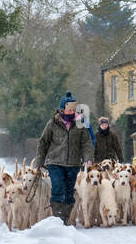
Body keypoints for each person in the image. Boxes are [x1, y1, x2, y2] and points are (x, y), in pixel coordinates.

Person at [36, 92, 94, 222]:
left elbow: (86, 142)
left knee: (68, 192)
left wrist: (88, 158)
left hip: (73, 163)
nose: (72, 112)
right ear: (62, 110)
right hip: (55, 162)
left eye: (74, 109)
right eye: (69, 110)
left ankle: (64, 219)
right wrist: (39, 162)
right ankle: (57, 217)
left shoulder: (80, 124)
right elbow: (43, 142)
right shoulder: (52, 124)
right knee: (58, 187)